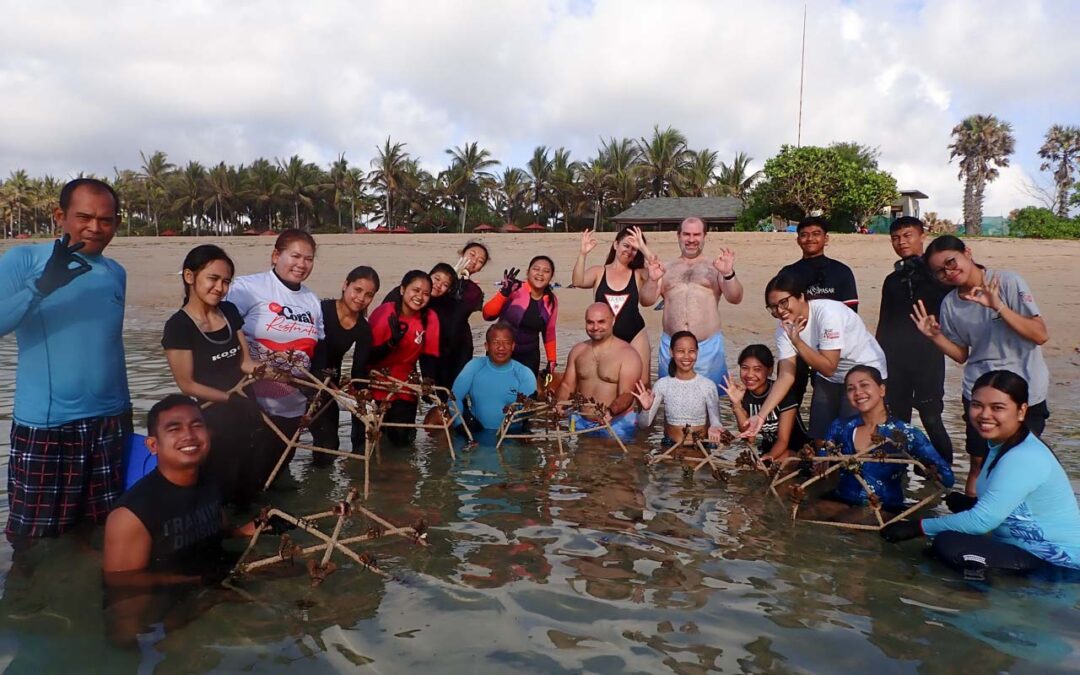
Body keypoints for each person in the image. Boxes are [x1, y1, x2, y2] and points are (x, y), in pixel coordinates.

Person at [0, 178, 132, 539]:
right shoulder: (24, 259)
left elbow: (111, 346)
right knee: (35, 542)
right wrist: (40, 288)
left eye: (106, 220)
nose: (95, 228)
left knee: (100, 532)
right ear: (60, 216)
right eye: (84, 217)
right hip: (47, 427)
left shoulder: (115, 272)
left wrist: (126, 414)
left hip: (109, 424)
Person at [881, 371, 1080, 579]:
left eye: (997, 408)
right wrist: (971, 503)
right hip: (1022, 550)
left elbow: (981, 522)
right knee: (934, 551)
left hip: (1059, 564)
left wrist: (917, 526)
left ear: (1021, 411)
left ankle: (977, 593)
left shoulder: (1024, 456)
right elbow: (1010, 503)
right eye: (977, 405)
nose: (984, 415)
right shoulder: (999, 447)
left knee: (948, 543)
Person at [911, 235, 1050, 497]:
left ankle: (1014, 524)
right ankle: (973, 519)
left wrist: (998, 306)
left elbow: (1040, 334)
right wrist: (935, 337)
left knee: (1017, 463)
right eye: (940, 271)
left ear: (967, 252)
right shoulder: (950, 303)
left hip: (1025, 390)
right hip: (979, 390)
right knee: (978, 462)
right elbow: (962, 355)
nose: (949, 272)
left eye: (951, 262)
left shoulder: (1007, 282)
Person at [162, 244, 263, 504]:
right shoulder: (178, 326)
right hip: (213, 420)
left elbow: (245, 363)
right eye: (213, 279)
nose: (220, 288)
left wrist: (281, 374)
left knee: (251, 483)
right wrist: (230, 400)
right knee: (220, 487)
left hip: (247, 410)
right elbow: (187, 384)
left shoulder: (229, 312)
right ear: (189, 277)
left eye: (226, 281)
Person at [226, 229, 324, 486]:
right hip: (251, 404)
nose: (301, 264)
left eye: (309, 259)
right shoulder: (248, 288)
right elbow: (222, 333)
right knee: (244, 478)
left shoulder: (312, 300)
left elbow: (318, 350)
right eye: (295, 256)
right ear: (275, 256)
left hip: (292, 407)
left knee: (274, 473)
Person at [741, 272, 887, 443]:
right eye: (773, 307)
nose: (780, 311)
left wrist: (797, 341)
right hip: (829, 378)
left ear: (801, 296)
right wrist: (760, 416)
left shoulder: (828, 314)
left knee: (851, 437)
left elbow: (829, 367)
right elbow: (786, 377)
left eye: (784, 302)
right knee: (819, 436)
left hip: (863, 371)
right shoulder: (783, 328)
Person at [816, 366, 954, 515]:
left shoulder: (906, 433)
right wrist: (816, 465)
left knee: (853, 519)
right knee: (805, 515)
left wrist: (929, 471)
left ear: (882, 389)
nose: (858, 392)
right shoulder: (839, 426)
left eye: (864, 385)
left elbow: (948, 478)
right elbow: (822, 460)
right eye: (851, 389)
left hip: (885, 508)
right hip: (842, 499)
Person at [876, 217, 953, 463]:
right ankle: (900, 476)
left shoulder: (938, 277)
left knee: (931, 417)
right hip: (895, 360)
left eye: (908, 235)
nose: (902, 242)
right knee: (898, 422)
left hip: (928, 358)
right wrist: (878, 362)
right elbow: (884, 322)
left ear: (922, 237)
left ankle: (945, 473)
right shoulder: (892, 280)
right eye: (896, 238)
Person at [640, 216, 743, 389]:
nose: (691, 240)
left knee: (710, 402)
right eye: (686, 234)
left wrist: (728, 273)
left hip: (707, 348)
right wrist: (651, 280)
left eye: (696, 235)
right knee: (671, 400)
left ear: (704, 236)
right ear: (678, 235)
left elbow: (735, 298)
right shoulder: (666, 268)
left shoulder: (716, 267)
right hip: (672, 347)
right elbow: (646, 300)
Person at [777, 216, 860, 414]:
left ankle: (827, 438)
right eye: (804, 235)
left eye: (816, 234)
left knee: (827, 395)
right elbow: (780, 308)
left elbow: (850, 313)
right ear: (797, 240)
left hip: (831, 345)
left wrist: (829, 343)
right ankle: (791, 437)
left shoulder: (841, 272)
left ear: (826, 238)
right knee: (790, 391)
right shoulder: (788, 273)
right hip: (796, 342)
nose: (810, 239)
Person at [309, 266, 379, 464]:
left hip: (331, 386)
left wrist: (363, 395)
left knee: (329, 445)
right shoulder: (321, 310)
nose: (361, 298)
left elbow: (359, 369)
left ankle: (320, 488)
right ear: (345, 285)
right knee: (290, 435)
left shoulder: (363, 328)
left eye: (368, 295)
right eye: (357, 290)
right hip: (304, 378)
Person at [572, 226, 657, 384]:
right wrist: (583, 253)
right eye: (626, 245)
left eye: (634, 249)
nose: (629, 251)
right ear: (615, 244)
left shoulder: (639, 274)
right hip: (605, 336)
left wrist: (643, 248)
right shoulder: (599, 272)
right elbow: (578, 281)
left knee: (642, 382)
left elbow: (657, 267)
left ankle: (641, 409)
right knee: (607, 380)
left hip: (635, 334)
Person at [366, 270, 440, 445]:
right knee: (371, 441)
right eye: (415, 290)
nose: (420, 297)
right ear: (402, 289)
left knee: (402, 441)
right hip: (375, 382)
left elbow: (429, 356)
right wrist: (391, 343)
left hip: (406, 385)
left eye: (426, 294)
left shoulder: (429, 318)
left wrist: (428, 384)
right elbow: (367, 356)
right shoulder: (385, 313)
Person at [555, 303, 642, 441]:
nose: (595, 327)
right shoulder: (578, 351)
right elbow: (567, 385)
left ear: (613, 320)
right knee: (581, 459)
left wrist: (610, 412)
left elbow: (627, 393)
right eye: (590, 322)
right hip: (581, 422)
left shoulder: (628, 354)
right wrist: (560, 403)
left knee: (616, 461)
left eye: (601, 322)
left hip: (616, 423)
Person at [632, 331, 725, 446]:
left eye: (691, 351)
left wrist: (715, 428)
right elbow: (643, 425)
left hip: (701, 449)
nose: (686, 356)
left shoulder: (708, 385)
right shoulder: (662, 384)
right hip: (670, 447)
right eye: (681, 351)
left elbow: (716, 422)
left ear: (697, 352)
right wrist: (646, 410)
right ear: (671, 352)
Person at [721, 344, 810, 464]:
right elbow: (749, 437)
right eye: (745, 368)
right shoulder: (744, 394)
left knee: (778, 462)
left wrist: (767, 458)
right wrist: (736, 404)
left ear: (769, 370)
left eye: (757, 369)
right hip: (769, 448)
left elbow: (783, 440)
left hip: (798, 450)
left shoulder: (782, 393)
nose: (750, 375)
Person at [482, 255, 558, 378]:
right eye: (536, 269)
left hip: (529, 355)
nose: (540, 274)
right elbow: (487, 315)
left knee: (526, 395)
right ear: (528, 272)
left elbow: (549, 332)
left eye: (546, 271)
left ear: (551, 276)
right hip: (500, 350)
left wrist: (552, 360)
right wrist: (504, 293)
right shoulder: (514, 288)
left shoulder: (551, 301)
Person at [452, 322, 537, 430]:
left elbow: (527, 412)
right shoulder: (474, 366)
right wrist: (460, 424)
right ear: (486, 346)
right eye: (495, 342)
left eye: (506, 343)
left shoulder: (524, 374)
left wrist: (530, 407)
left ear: (513, 346)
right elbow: (454, 398)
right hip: (476, 434)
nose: (501, 347)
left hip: (510, 438)